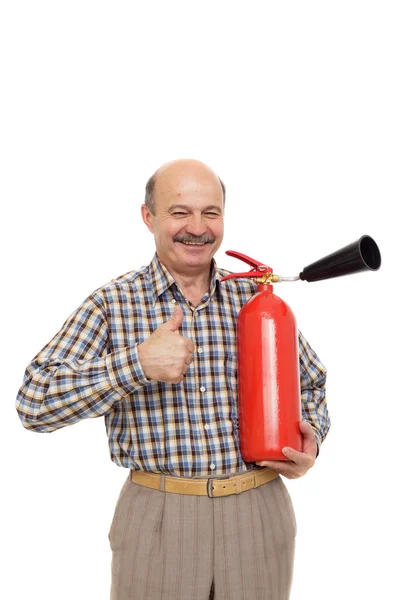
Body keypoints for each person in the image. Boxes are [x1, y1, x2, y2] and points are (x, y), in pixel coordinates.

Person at [16, 159, 330, 600]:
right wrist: (136, 365)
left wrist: (310, 439)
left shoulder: (254, 298)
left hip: (260, 511)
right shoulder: (114, 303)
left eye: (211, 212)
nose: (197, 228)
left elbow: (311, 383)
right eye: (180, 212)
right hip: (159, 518)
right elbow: (34, 402)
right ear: (149, 217)